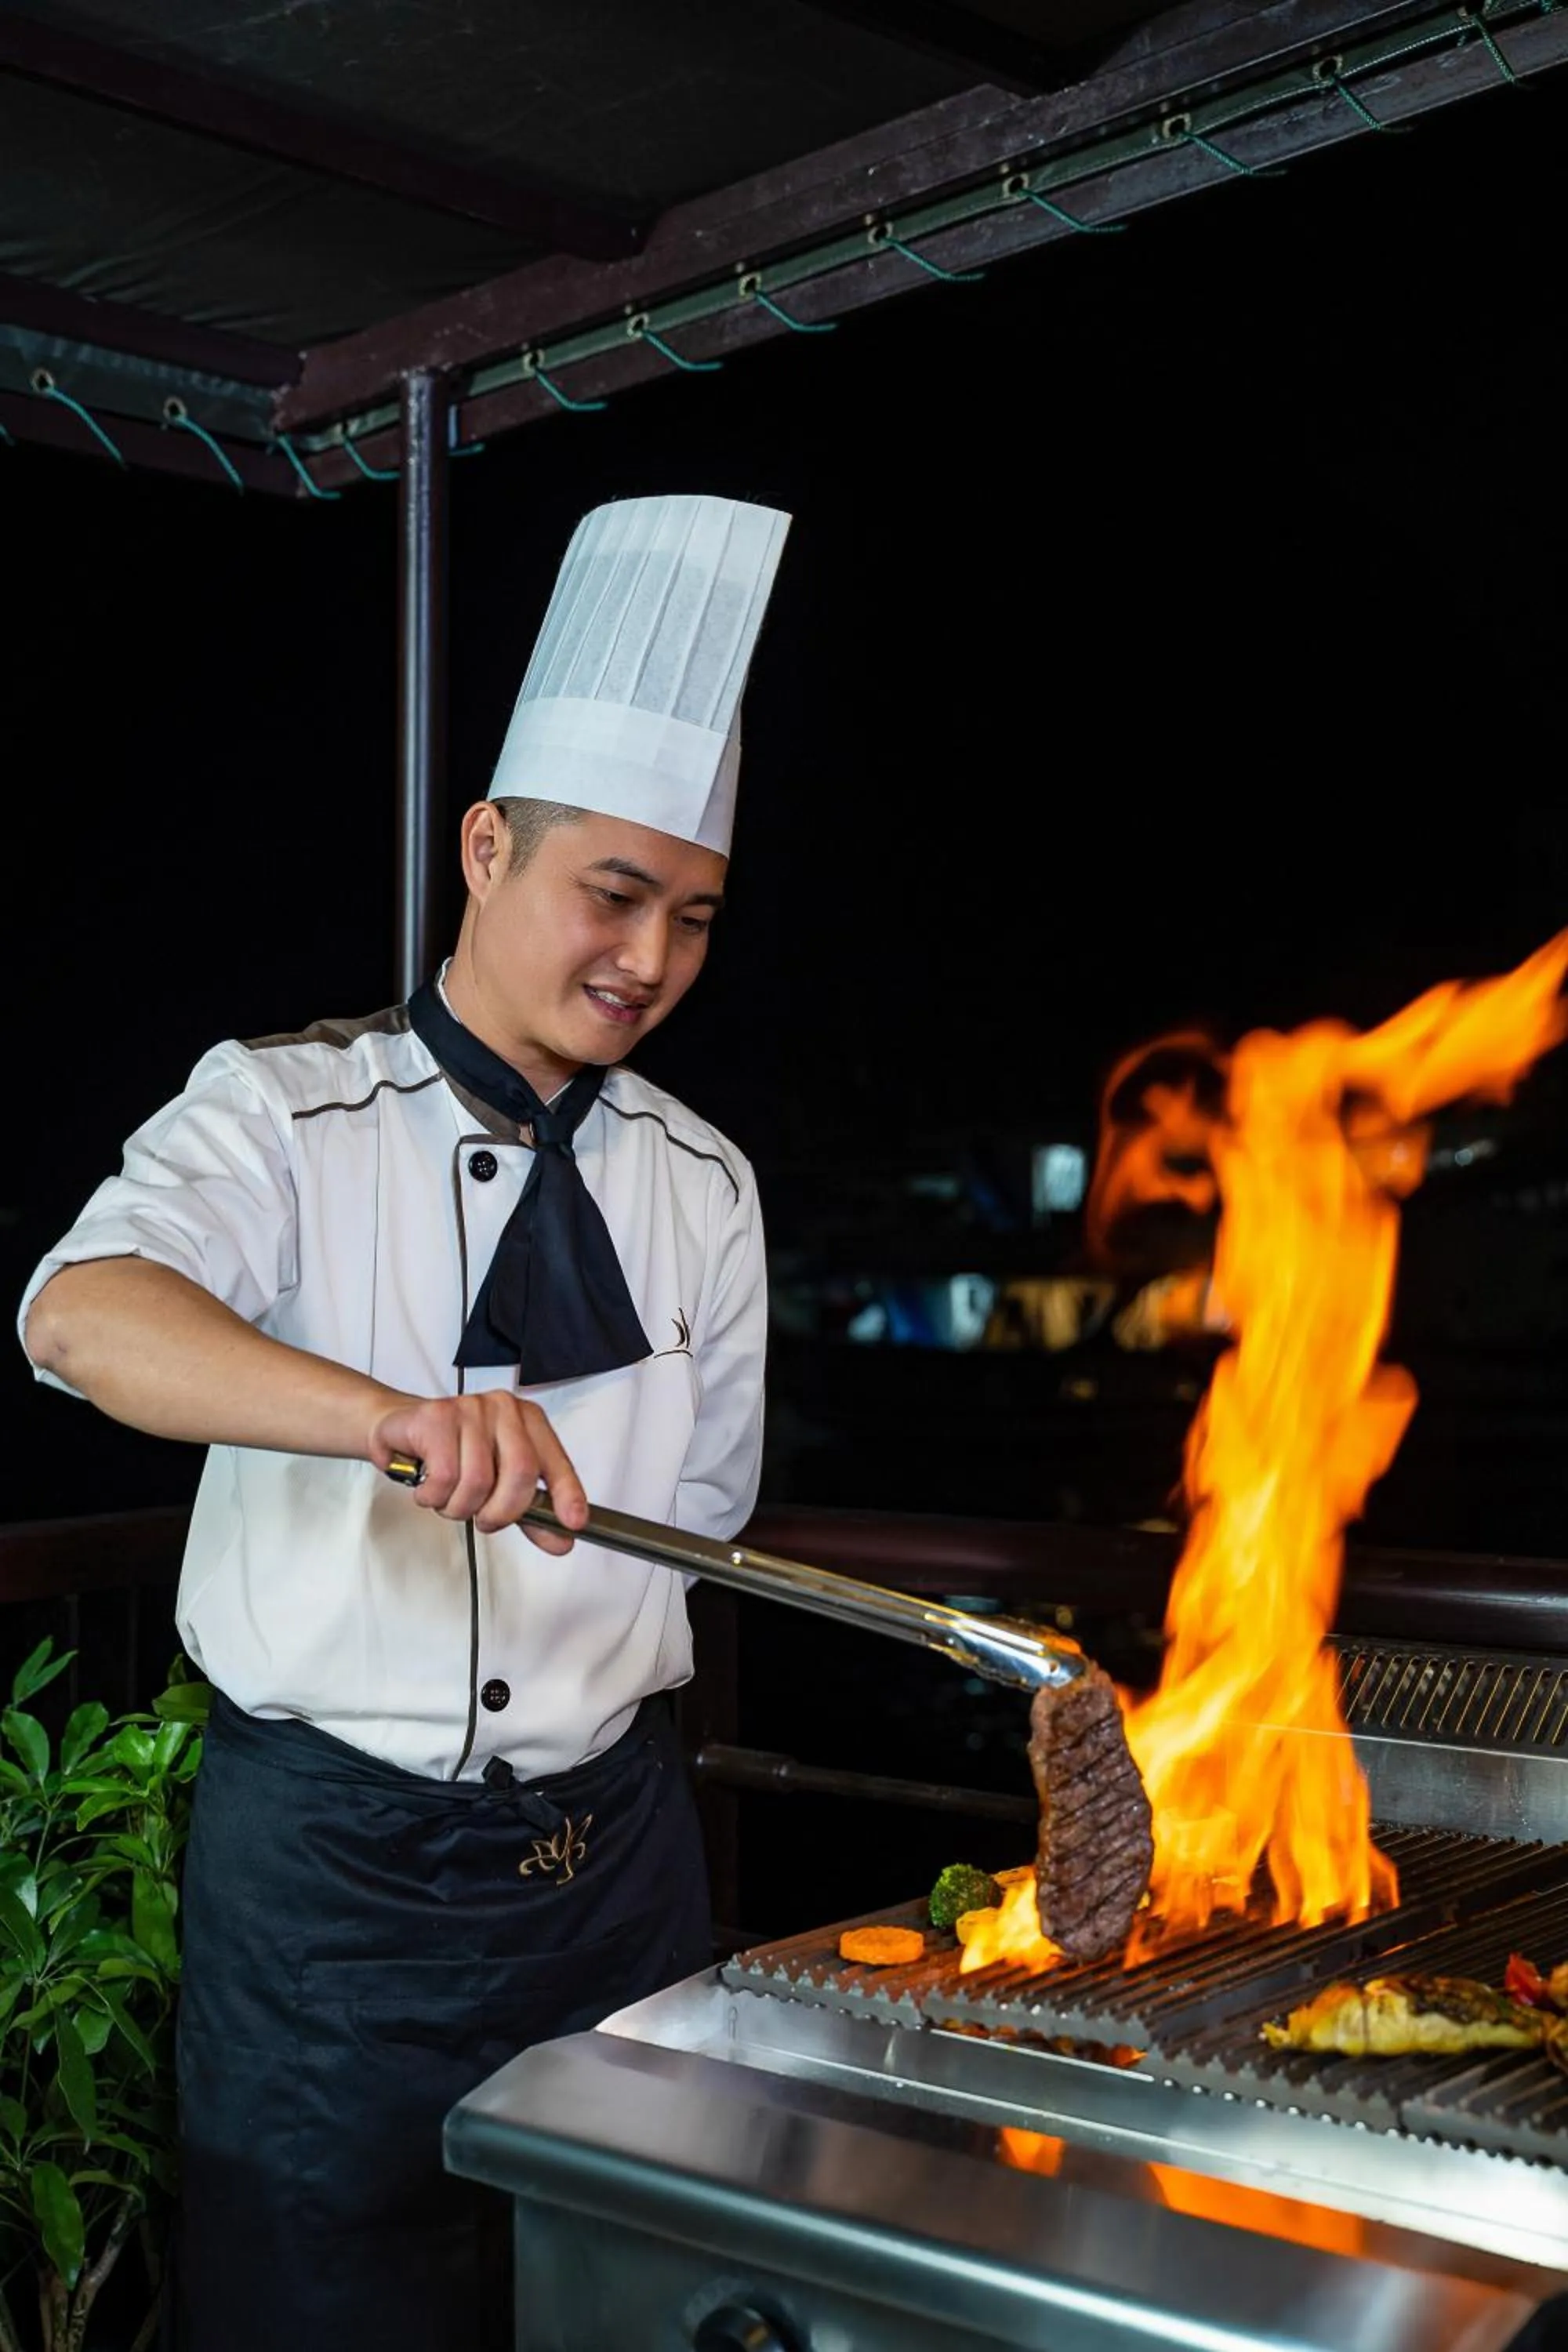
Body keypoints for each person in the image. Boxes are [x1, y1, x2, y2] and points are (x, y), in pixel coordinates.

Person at [19, 492, 791, 2352]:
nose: (649, 959)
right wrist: (384, 1418)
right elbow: (79, 1317)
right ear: (484, 847)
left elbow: (703, 1514)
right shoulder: (285, 1111)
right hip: (333, 1893)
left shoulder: (705, 1184)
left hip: (617, 1871)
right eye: (610, 895)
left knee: (625, 2314)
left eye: (691, 917)